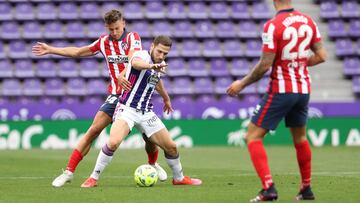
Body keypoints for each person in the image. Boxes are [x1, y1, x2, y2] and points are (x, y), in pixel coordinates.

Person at [31, 9, 168, 187]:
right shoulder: (104, 42)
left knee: (149, 139)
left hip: (135, 97)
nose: (114, 32)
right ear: (106, 27)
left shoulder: (132, 37)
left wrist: (123, 73)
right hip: (117, 96)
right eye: (110, 29)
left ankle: (152, 164)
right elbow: (78, 52)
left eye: (117, 28)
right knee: (93, 130)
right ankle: (68, 172)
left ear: (123, 23)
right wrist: (51, 50)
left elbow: (132, 57)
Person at [227, 0, 327, 201]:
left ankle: (268, 188)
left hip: (282, 89)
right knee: (300, 138)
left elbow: (265, 65)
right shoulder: (309, 21)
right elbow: (322, 55)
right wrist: (296, 64)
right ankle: (306, 188)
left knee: (253, 136)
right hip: (303, 89)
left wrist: (242, 83)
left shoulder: (273, 25)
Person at [80, 35, 202, 188]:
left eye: (165, 54)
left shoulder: (159, 64)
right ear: (152, 46)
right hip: (126, 109)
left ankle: (178, 178)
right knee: (113, 142)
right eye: (159, 51)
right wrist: (151, 66)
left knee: (171, 147)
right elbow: (135, 63)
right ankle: (93, 178)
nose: (161, 56)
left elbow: (156, 81)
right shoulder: (142, 55)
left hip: (146, 112)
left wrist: (166, 98)